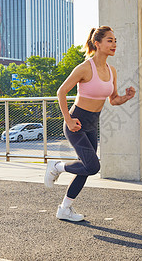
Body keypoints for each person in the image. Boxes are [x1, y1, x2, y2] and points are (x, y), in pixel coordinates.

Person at [44, 26, 136, 222]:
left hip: (93, 124)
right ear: (98, 44)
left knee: (85, 169)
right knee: (92, 166)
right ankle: (57, 166)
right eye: (110, 40)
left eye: (115, 40)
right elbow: (61, 92)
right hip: (76, 122)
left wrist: (126, 97)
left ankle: (64, 209)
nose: (114, 44)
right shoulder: (85, 68)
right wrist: (68, 120)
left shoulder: (111, 71)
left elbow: (113, 100)